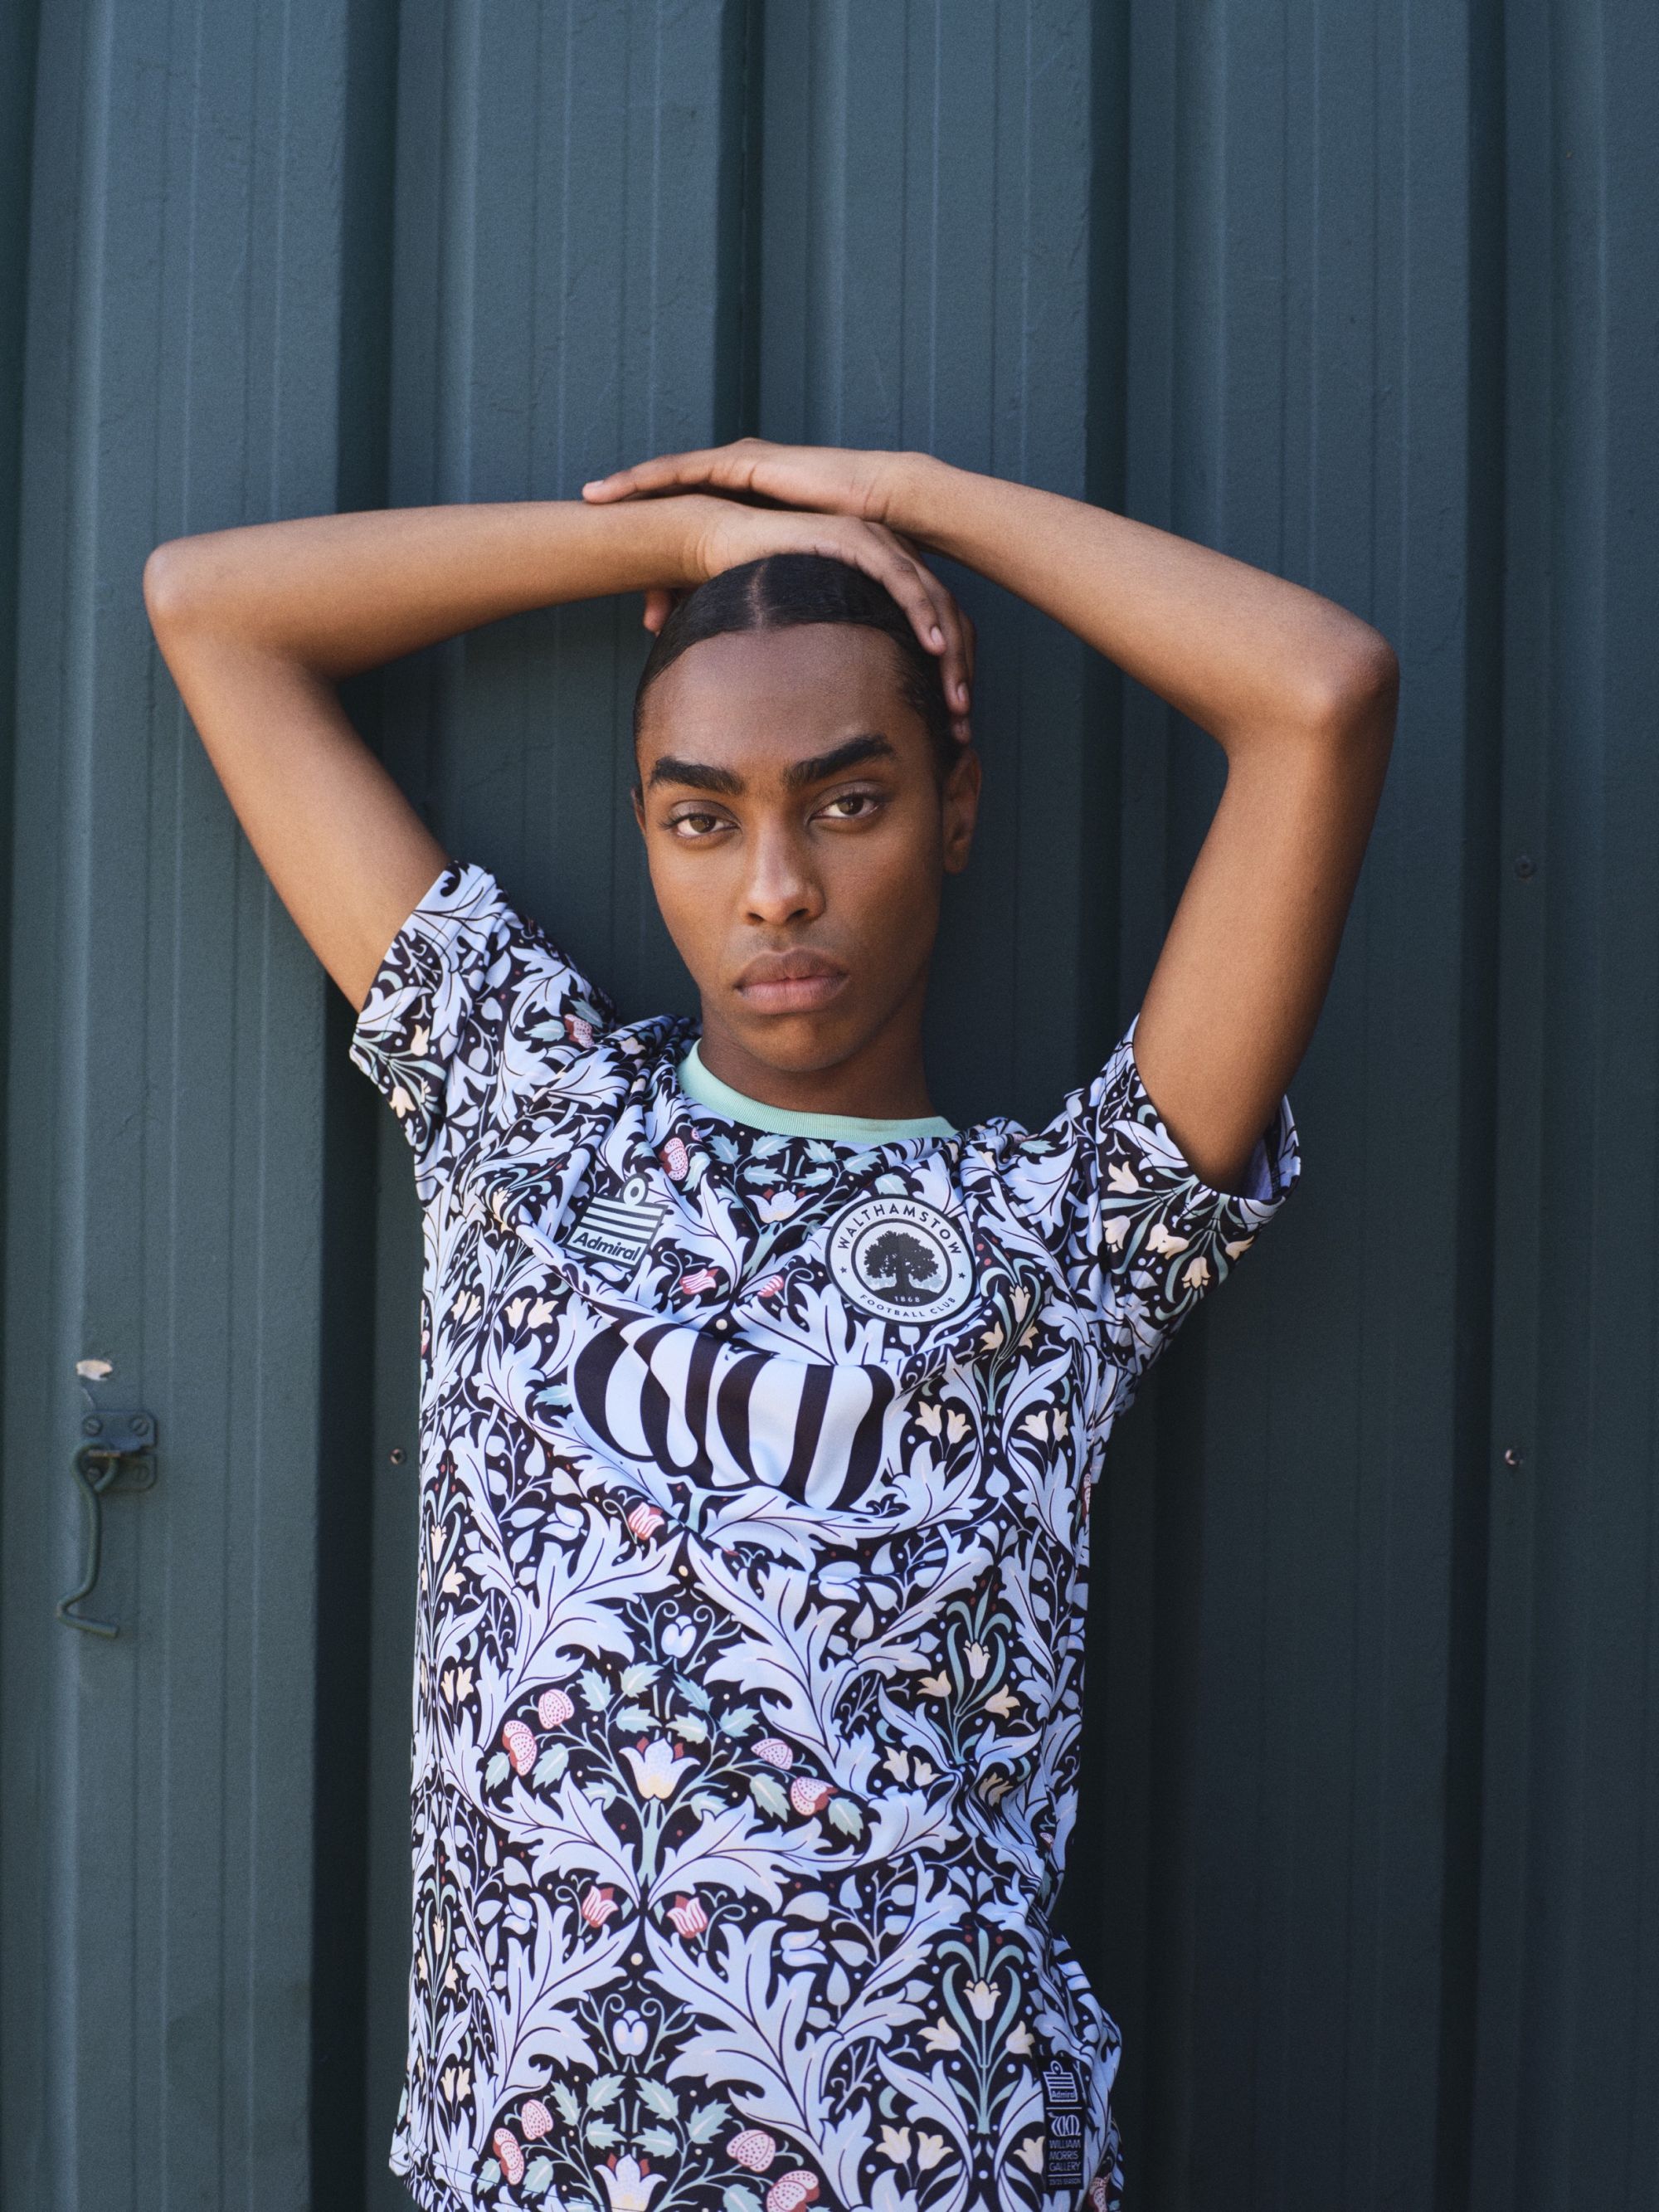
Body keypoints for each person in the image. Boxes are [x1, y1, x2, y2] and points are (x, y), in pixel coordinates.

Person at [143, 437, 1395, 2212]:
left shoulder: (1065, 1230)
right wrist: (675, 533)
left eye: (850, 800)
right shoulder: (526, 1112)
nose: (775, 887)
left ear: (957, 810)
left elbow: (1320, 696)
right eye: (702, 815)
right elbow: (213, 610)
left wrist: (906, 502)